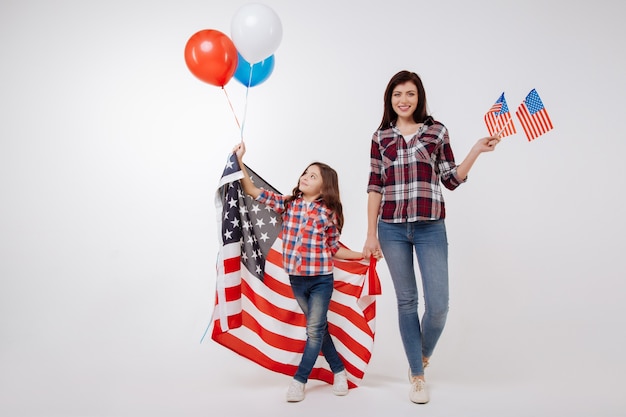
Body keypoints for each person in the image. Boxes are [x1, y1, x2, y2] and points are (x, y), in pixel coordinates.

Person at [362, 70, 500, 404]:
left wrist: (476, 151)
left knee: (438, 306)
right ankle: (418, 376)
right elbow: (375, 186)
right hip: (391, 228)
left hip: (429, 227)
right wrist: (370, 234)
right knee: (407, 301)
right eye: (397, 94)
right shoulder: (381, 137)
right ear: (389, 99)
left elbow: (451, 179)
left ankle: (419, 356)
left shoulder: (437, 132)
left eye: (410, 94)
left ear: (419, 97)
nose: (403, 100)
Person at [233, 142, 375, 403]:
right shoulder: (289, 204)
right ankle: (339, 370)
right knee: (318, 330)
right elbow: (252, 189)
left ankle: (299, 380)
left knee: (313, 331)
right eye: (305, 173)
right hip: (297, 281)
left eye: (313, 176)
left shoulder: (329, 213)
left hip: (321, 280)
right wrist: (239, 159)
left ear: (325, 186)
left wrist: (362, 254)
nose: (305, 178)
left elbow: (334, 249)